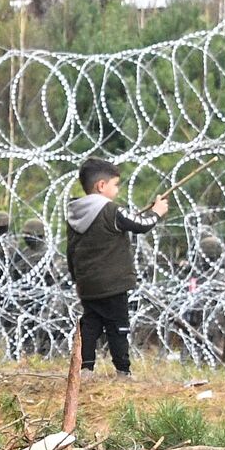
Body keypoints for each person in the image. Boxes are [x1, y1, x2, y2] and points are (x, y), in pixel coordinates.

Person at [65, 158, 167, 376]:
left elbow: (71, 249)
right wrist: (157, 211)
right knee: (117, 327)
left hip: (87, 283)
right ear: (101, 186)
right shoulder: (111, 210)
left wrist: (76, 278)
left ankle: (86, 369)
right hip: (113, 283)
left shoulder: (74, 212)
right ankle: (123, 370)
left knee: (90, 326)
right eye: (115, 185)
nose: (117, 190)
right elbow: (140, 225)